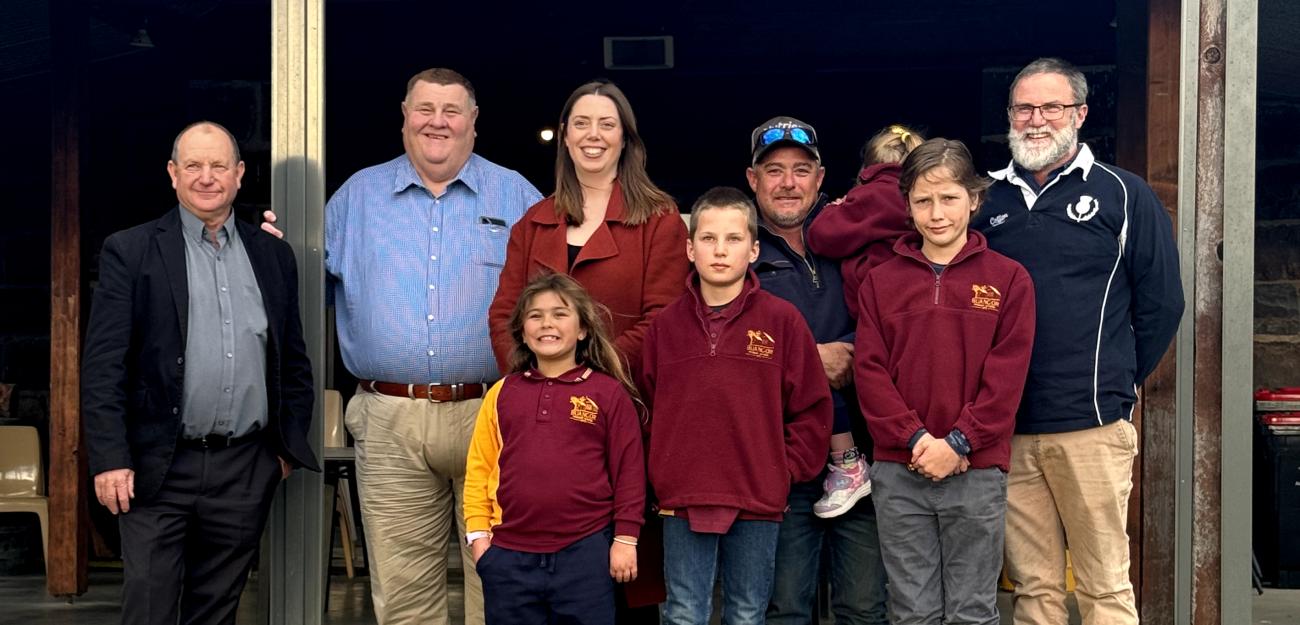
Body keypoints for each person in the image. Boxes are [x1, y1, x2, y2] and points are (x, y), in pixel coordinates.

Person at [265, 68, 542, 625]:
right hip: (390, 417)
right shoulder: (357, 198)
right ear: (404, 115)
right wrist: (270, 255)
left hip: (497, 413)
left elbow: (559, 301)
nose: (437, 122)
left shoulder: (517, 195)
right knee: (403, 589)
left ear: (474, 122)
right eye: (425, 109)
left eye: (451, 110)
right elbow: (300, 297)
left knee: (503, 581)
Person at [972, 57, 1183, 625]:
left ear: (1080, 114)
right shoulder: (983, 201)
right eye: (1024, 108)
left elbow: (1163, 302)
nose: (1036, 120)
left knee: (1104, 586)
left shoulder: (1122, 194)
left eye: (1052, 107)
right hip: (1007, 430)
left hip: (1091, 425)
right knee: (1033, 590)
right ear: (1010, 116)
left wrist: (1120, 381)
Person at [82, 121, 319, 625]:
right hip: (155, 467)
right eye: (193, 165)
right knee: (148, 604)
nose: (205, 177)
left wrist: (282, 449)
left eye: (218, 166)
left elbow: (292, 362)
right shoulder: (132, 250)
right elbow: (103, 366)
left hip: (244, 467)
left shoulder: (272, 254)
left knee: (216, 610)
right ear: (172, 173)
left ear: (239, 175)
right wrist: (109, 458)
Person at [854, 138, 1036, 625]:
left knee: (972, 610)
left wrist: (958, 442)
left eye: (949, 197)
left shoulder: (1008, 279)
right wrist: (915, 439)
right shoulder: (881, 281)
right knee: (911, 610)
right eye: (923, 200)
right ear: (908, 205)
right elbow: (869, 372)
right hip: (900, 469)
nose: (937, 213)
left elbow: (1007, 378)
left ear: (974, 199)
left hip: (975, 470)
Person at [638, 187, 831, 625]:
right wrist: (660, 471)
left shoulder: (782, 321)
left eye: (733, 239)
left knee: (747, 614)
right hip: (682, 499)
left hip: (757, 498)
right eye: (708, 239)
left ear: (754, 248)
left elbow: (812, 410)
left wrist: (781, 470)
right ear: (689, 248)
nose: (720, 251)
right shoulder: (665, 327)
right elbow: (645, 410)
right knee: (684, 614)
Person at [745, 117, 889, 624]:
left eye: (801, 170)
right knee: (785, 609)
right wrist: (811, 361)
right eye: (775, 170)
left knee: (866, 608)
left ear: (821, 177)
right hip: (782, 460)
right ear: (752, 178)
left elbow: (896, 317)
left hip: (866, 459)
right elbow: (726, 346)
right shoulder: (737, 251)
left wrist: (851, 351)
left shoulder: (855, 238)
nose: (788, 182)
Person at [465, 273, 646, 625]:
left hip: (585, 553)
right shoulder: (501, 394)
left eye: (560, 314)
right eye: (535, 315)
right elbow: (479, 469)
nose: (547, 323)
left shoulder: (607, 394)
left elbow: (629, 472)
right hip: (508, 556)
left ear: (582, 329)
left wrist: (626, 538)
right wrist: (479, 540)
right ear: (521, 331)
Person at [488, 80, 689, 374]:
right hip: (538, 402)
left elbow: (665, 318)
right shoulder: (531, 223)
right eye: (581, 123)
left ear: (624, 139)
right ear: (565, 136)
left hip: (624, 401)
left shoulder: (660, 221)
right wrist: (535, 380)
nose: (593, 135)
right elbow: (504, 315)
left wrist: (592, 376)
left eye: (607, 125)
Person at [805, 123, 925, 519]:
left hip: (875, 319)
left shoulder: (869, 195)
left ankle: (847, 462)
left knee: (825, 371)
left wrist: (837, 210)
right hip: (915, 319)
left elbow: (822, 236)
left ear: (869, 165)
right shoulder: (921, 200)